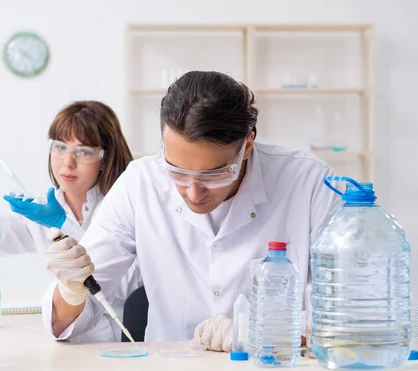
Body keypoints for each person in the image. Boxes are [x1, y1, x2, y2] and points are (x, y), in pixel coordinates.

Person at [41, 71, 341, 351]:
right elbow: (68, 321)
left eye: (214, 174)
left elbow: (346, 314)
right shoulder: (140, 182)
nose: (194, 193)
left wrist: (262, 332)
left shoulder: (310, 184)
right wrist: (70, 291)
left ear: (247, 145)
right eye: (177, 172)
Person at [0, 101, 143, 343]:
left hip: (119, 347)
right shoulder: (41, 210)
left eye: (83, 151)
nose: (67, 162)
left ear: (104, 159)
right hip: (66, 343)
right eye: (60, 147)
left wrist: (64, 225)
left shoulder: (125, 208)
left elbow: (124, 287)